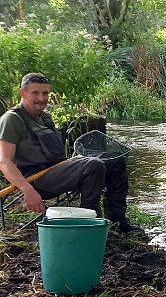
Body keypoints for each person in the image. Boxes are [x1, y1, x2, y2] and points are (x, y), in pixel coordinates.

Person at [0, 72, 140, 233]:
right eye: (35, 93)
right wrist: (27, 189)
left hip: (57, 170)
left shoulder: (45, 118)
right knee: (93, 165)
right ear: (22, 93)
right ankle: (89, 222)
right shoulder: (12, 119)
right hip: (36, 179)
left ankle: (117, 220)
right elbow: (4, 162)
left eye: (45, 93)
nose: (41, 98)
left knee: (115, 161)